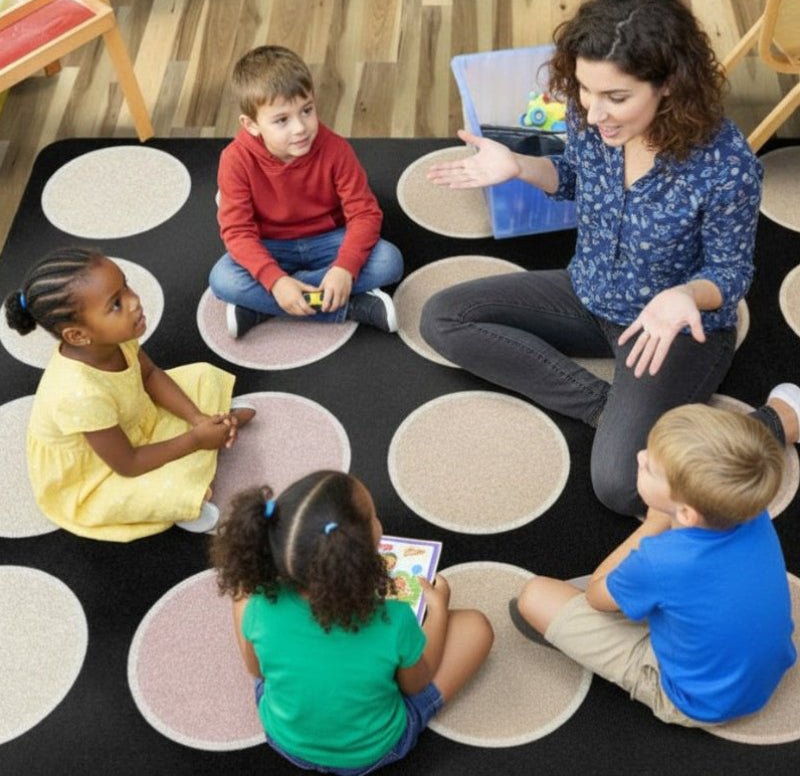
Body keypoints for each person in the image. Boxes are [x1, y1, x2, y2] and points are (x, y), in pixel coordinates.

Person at [420, 0, 794, 516]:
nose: (595, 112)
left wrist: (686, 295)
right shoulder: (591, 117)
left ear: (668, 85)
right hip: (589, 290)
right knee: (443, 317)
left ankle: (778, 418)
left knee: (620, 484)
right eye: (585, 89)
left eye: (616, 97)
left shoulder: (725, 164)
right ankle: (607, 406)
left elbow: (730, 273)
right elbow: (575, 178)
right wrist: (520, 167)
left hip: (672, 328)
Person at [512, 404, 796, 727]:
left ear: (687, 513)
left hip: (695, 700)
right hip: (757, 671)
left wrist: (653, 523)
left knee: (534, 597)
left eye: (650, 468)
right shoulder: (753, 514)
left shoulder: (661, 559)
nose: (639, 456)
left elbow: (596, 594)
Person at [211, 470, 493, 774]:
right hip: (372, 751)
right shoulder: (393, 618)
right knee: (477, 627)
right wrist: (437, 612)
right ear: (355, 558)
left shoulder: (261, 605)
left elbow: (256, 671)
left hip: (285, 739)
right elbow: (415, 684)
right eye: (373, 517)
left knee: (244, 589)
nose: (378, 522)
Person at [4, 247, 255, 542]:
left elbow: (150, 376)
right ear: (78, 335)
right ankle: (187, 493)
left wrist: (197, 418)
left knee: (203, 375)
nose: (134, 301)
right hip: (101, 469)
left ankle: (210, 428)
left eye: (126, 286)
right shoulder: (78, 394)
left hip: (133, 417)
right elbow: (128, 463)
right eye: (116, 304)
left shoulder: (117, 338)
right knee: (161, 489)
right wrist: (196, 440)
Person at [209, 45, 404, 339]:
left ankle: (264, 308)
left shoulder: (336, 149)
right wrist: (276, 281)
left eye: (307, 110)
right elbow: (237, 232)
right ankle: (347, 307)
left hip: (328, 238)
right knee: (222, 280)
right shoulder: (235, 160)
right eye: (282, 120)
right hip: (271, 243)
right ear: (251, 125)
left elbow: (364, 214)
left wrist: (344, 269)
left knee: (389, 261)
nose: (300, 128)